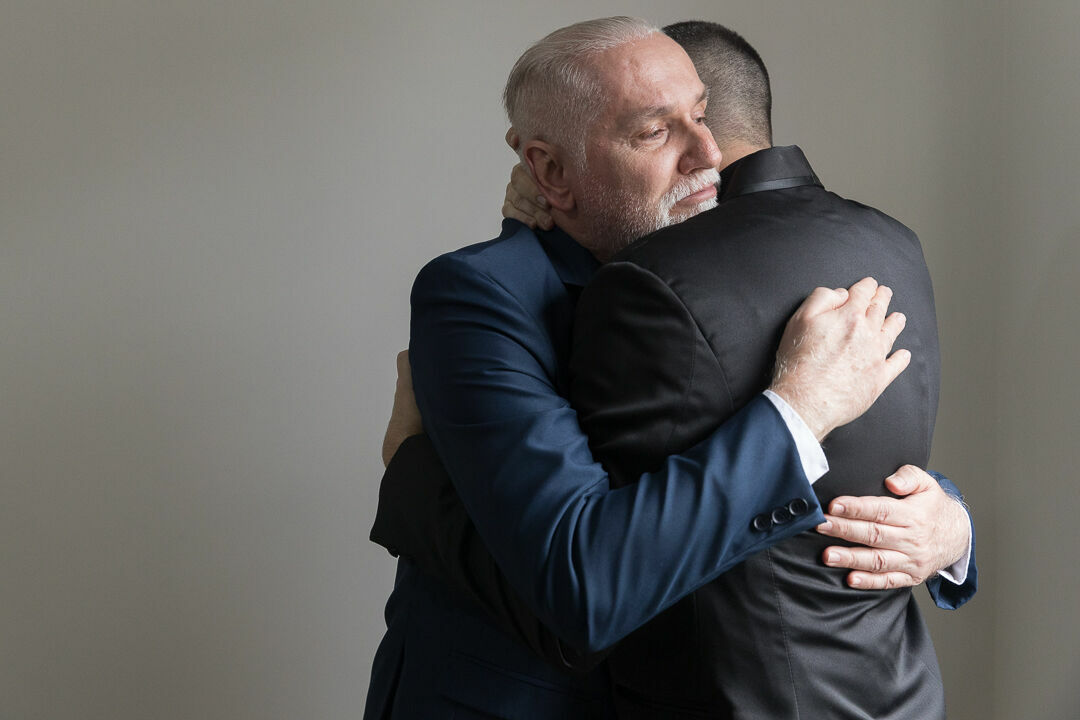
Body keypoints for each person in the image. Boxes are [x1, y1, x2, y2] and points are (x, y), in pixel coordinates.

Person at [365, 18, 973, 720]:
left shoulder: (728, 269)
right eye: (655, 132)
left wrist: (950, 524)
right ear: (551, 171)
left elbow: (827, 466)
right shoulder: (482, 295)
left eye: (703, 116)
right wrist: (800, 407)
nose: (710, 154)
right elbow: (585, 589)